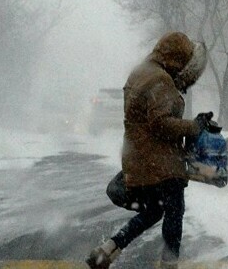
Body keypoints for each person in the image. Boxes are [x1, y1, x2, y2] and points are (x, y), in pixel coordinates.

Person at [86, 31, 213, 269]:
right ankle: (169, 264)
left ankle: (108, 249)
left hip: (140, 159)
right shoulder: (160, 79)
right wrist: (194, 126)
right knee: (174, 212)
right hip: (161, 165)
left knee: (155, 210)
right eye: (183, 62)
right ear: (176, 58)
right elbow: (160, 123)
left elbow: (148, 120)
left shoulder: (141, 72)